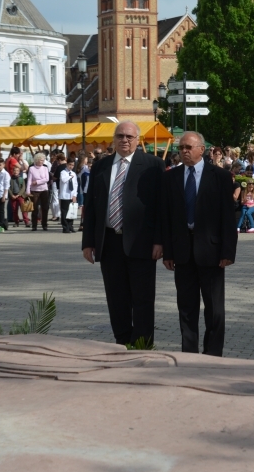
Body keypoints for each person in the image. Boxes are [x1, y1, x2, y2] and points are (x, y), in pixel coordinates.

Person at [82, 121, 165, 346]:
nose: (124, 140)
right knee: (116, 298)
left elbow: (161, 207)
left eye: (129, 136)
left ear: (138, 140)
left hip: (142, 243)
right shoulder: (101, 166)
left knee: (143, 299)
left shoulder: (153, 165)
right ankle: (122, 342)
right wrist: (88, 242)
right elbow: (91, 206)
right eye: (120, 136)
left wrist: (160, 240)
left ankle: (142, 345)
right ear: (113, 139)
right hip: (109, 242)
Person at [161, 131, 237, 357]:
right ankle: (189, 354)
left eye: (188, 147)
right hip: (182, 252)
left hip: (212, 252)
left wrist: (228, 251)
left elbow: (227, 217)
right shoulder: (171, 177)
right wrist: (168, 251)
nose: (183, 151)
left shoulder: (220, 177)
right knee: (186, 307)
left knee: (214, 309)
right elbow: (166, 217)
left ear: (201, 150)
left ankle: (213, 354)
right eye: (181, 147)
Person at [27, 153, 51, 231]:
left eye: (43, 160)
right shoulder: (31, 168)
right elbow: (29, 180)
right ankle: (34, 225)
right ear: (37, 160)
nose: (42, 161)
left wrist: (37, 182)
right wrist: (27, 190)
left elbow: (46, 179)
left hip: (44, 190)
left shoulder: (45, 168)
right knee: (35, 208)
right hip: (35, 191)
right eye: (41, 160)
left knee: (45, 208)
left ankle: (44, 224)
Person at [59, 157, 79, 233]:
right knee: (64, 212)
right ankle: (65, 227)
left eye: (72, 165)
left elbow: (75, 185)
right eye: (70, 165)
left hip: (72, 195)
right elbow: (63, 180)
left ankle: (70, 226)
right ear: (67, 164)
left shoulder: (74, 173)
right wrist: (70, 176)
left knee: (72, 211)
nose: (71, 166)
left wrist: (75, 195)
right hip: (65, 195)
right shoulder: (63, 172)